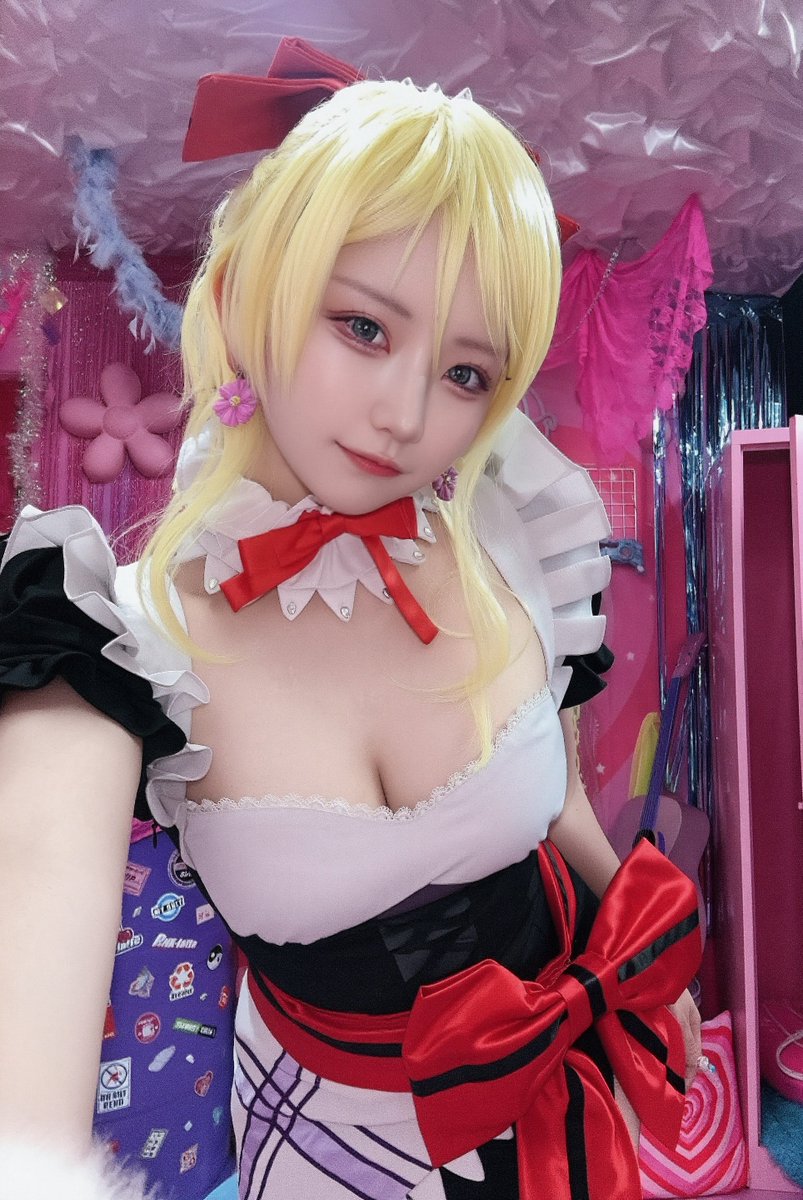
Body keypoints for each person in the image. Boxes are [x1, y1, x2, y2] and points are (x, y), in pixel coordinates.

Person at [0, 50, 702, 1200]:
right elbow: (23, 1109)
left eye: (466, 373)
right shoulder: (104, 639)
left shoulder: (509, 538)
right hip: (325, 1146)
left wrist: (641, 973)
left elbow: (559, 802)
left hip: (569, 1097)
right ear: (246, 299)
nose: (405, 416)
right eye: (363, 328)